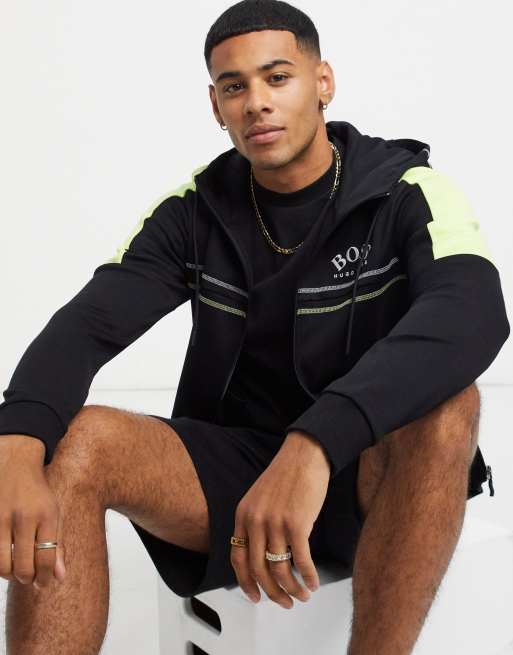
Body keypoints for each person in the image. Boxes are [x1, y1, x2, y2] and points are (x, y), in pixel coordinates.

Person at [0, 0, 509, 653]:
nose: (257, 103)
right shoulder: (194, 209)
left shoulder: (406, 189)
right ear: (216, 105)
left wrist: (314, 444)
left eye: (277, 77)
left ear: (322, 81)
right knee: (78, 441)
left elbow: (471, 313)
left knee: (449, 408)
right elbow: (87, 325)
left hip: (370, 472)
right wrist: (16, 443)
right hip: (237, 479)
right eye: (234, 86)